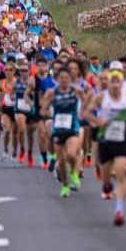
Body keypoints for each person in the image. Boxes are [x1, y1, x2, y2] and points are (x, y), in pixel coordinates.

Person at [84, 61, 126, 225]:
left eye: (118, 81)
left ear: (122, 82)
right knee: (107, 174)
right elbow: (86, 112)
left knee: (121, 173)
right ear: (108, 82)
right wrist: (96, 121)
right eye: (112, 81)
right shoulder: (102, 97)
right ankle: (106, 185)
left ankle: (119, 209)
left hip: (122, 140)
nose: (115, 85)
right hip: (105, 140)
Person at [41, 66, 83, 198]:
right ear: (57, 79)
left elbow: (86, 102)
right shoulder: (52, 93)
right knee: (62, 160)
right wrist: (46, 112)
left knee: (71, 154)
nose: (64, 80)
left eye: (66, 78)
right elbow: (44, 109)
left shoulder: (76, 91)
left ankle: (75, 174)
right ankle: (65, 185)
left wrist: (83, 112)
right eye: (61, 78)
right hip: (58, 128)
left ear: (70, 79)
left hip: (72, 127)